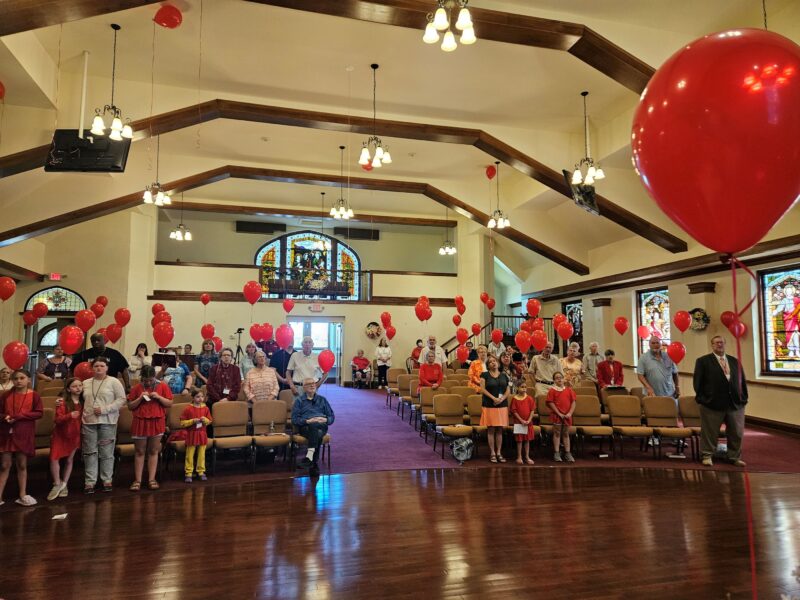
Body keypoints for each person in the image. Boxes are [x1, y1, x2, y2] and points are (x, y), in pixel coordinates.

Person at [693, 335, 748, 467]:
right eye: (717, 343)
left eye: (722, 342)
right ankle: (707, 455)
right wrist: (703, 399)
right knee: (710, 432)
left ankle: (733, 456)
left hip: (735, 404)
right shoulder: (703, 361)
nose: (720, 345)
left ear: (725, 344)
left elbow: (742, 381)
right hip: (712, 404)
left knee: (736, 432)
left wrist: (744, 398)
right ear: (712, 345)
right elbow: (697, 383)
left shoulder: (734, 361)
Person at [81, 357, 126, 494]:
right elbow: (76, 396)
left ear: (107, 368)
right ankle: (90, 482)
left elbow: (121, 399)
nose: (99, 368)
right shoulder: (85, 383)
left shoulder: (114, 381)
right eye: (96, 366)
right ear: (92, 368)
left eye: (102, 366)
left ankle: (107, 480)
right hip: (89, 421)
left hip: (107, 421)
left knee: (106, 453)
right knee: (90, 452)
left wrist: (105, 409)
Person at [0, 369, 43, 506]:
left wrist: (20, 416)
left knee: (22, 464)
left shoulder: (34, 395)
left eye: (22, 378)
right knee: (4, 465)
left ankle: (22, 494)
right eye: (16, 378)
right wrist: (5, 417)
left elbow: (38, 413)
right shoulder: (6, 395)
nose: (18, 381)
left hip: (24, 433)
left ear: (29, 380)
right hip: (6, 433)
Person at [126, 365, 172, 491]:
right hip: (140, 421)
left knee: (153, 451)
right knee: (140, 451)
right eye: (145, 380)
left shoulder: (162, 386)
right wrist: (140, 398)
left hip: (157, 421)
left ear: (154, 377)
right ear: (142, 378)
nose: (148, 382)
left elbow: (169, 403)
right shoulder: (136, 388)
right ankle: (138, 480)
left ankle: (152, 479)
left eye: (150, 380)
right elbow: (130, 406)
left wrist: (159, 397)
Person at [47, 378, 83, 501]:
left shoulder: (84, 401)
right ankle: (57, 483)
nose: (78, 388)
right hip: (60, 434)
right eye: (74, 386)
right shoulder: (62, 402)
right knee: (54, 458)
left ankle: (64, 484)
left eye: (80, 385)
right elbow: (57, 420)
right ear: (68, 389)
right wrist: (69, 415)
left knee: (69, 459)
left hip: (74, 435)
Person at [291, 378, 335, 477]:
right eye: (309, 384)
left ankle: (309, 458)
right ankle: (313, 463)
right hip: (306, 427)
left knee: (316, 427)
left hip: (321, 425)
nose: (312, 385)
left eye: (314, 383)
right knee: (316, 432)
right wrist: (307, 421)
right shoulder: (299, 401)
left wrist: (326, 420)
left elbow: (331, 416)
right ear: (304, 387)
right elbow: (294, 420)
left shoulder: (322, 400)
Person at [479, 355, 510, 464]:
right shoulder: (484, 375)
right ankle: (492, 452)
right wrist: (494, 398)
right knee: (491, 429)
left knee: (500, 430)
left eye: (495, 361)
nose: (493, 363)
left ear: (498, 363)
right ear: (488, 365)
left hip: (502, 404)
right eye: (491, 362)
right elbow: (482, 389)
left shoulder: (504, 376)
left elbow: (508, 390)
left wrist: (501, 399)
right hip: (489, 404)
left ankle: (499, 453)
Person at [180, 389, 212, 483]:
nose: (200, 399)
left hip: (202, 433)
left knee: (201, 454)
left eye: (202, 396)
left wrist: (204, 420)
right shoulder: (188, 409)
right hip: (192, 434)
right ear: (193, 398)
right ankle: (189, 472)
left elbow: (209, 421)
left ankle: (201, 471)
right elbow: (182, 423)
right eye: (198, 397)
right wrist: (192, 421)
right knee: (190, 454)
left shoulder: (206, 408)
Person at [547, 372, 576, 463]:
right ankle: (556, 452)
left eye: (560, 377)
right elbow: (550, 403)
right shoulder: (552, 390)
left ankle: (567, 453)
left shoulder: (569, 390)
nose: (559, 379)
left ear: (563, 379)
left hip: (567, 415)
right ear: (554, 380)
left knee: (566, 433)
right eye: (557, 378)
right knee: (557, 433)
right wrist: (559, 413)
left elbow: (573, 402)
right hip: (557, 415)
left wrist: (570, 413)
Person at [510, 379, 535, 465]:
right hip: (518, 422)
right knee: (519, 441)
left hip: (528, 422)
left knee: (527, 440)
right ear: (517, 388)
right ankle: (519, 456)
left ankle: (527, 456)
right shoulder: (514, 399)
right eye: (522, 387)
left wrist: (529, 420)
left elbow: (532, 410)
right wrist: (521, 420)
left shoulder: (529, 398)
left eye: (525, 387)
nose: (524, 389)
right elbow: (514, 411)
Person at [773, 284, 800, 357]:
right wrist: (775, 311)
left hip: (795, 320)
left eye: (790, 290)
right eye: (787, 291)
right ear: (785, 292)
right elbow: (780, 308)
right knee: (788, 335)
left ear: (792, 291)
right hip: (787, 320)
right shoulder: (784, 300)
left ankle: (797, 351)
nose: (789, 292)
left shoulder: (797, 299)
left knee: (795, 335)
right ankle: (791, 350)